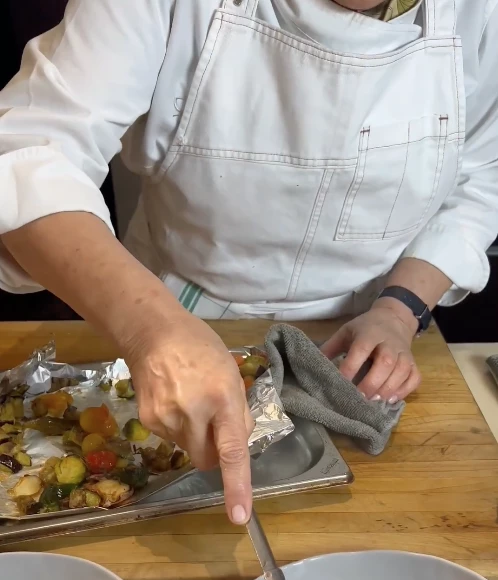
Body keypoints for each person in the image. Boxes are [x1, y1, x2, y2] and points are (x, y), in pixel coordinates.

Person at [0, 0, 497, 525]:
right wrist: (151, 327)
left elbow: (481, 177)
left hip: (364, 346)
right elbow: (32, 153)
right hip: (170, 316)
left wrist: (400, 311)